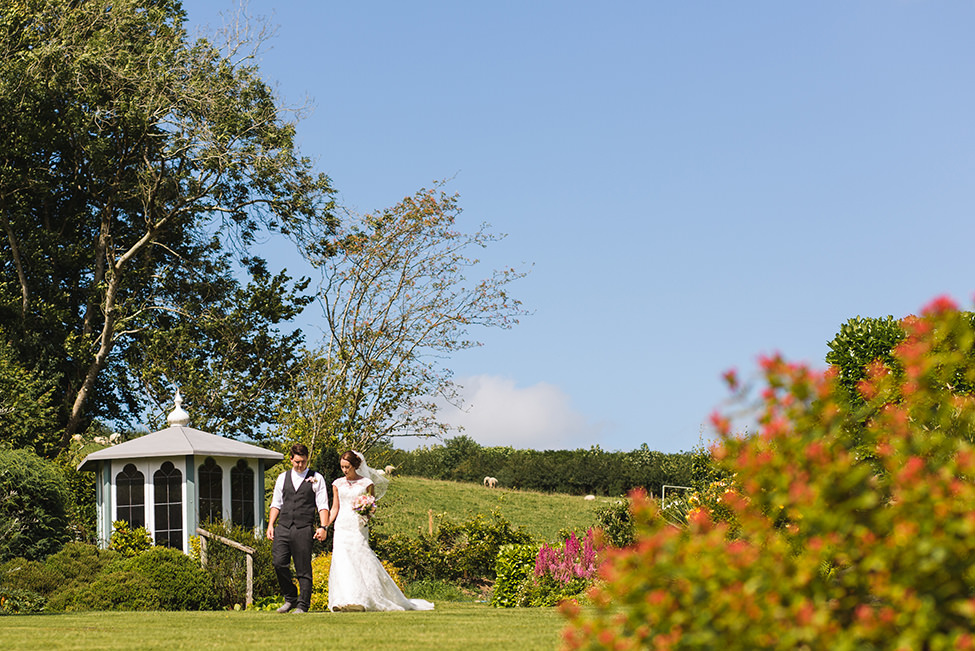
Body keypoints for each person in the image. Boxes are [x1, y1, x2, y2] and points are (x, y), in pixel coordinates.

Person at [326, 450, 434, 612]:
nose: (344, 470)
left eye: (347, 467)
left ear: (355, 466)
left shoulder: (366, 483)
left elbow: (372, 505)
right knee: (342, 561)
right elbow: (335, 507)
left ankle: (362, 598)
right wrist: (326, 525)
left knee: (360, 558)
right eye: (342, 467)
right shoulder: (337, 483)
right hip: (341, 526)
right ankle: (344, 598)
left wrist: (366, 514)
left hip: (358, 526)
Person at [266, 443, 330, 614]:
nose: (300, 465)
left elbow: (323, 505)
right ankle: (290, 597)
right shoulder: (282, 478)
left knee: (303, 568)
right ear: (291, 459)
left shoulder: (317, 478)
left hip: (304, 527)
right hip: (284, 527)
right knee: (279, 563)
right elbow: (276, 503)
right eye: (297, 462)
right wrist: (271, 524)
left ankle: (302, 605)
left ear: (307, 459)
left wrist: (323, 527)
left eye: (303, 461)